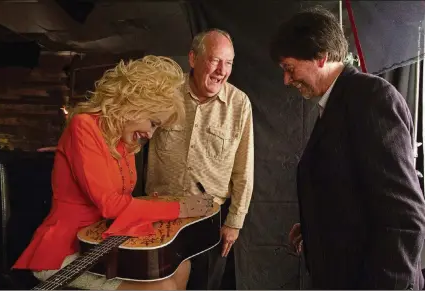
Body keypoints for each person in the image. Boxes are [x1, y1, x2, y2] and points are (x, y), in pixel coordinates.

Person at [12, 55, 214, 290]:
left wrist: (156, 205)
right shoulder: (83, 126)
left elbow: (122, 201)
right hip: (63, 252)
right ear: (134, 104)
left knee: (182, 266)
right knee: (162, 287)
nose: (150, 133)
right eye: (153, 122)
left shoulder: (125, 141)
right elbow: (110, 205)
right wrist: (180, 208)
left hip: (102, 243)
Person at [270, 7, 425, 289]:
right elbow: (350, 188)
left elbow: (404, 218)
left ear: (321, 57)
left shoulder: (372, 99)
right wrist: (314, 227)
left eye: (290, 68)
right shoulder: (338, 101)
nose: (286, 80)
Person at [145, 29, 254, 289]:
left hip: (209, 219)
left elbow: (244, 170)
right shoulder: (165, 93)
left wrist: (234, 223)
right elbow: (134, 137)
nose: (222, 70)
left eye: (228, 63)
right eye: (215, 60)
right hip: (158, 215)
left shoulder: (240, 105)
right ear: (193, 58)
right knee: (156, 285)